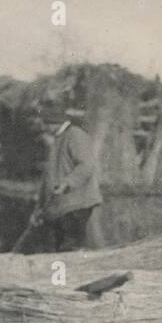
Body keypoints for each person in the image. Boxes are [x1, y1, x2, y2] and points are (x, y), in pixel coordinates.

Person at [34, 99, 103, 250]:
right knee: (59, 247)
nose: (43, 128)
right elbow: (50, 176)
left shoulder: (75, 135)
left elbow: (87, 165)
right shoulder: (58, 139)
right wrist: (39, 209)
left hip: (76, 203)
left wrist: (68, 183)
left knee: (70, 247)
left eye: (45, 124)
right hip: (62, 205)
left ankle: (73, 271)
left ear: (53, 122)